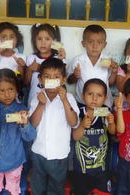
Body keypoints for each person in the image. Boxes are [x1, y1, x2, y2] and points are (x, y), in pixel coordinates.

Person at [0, 68, 36, 195]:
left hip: (14, 161)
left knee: (13, 191)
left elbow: (30, 137)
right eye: (1, 91)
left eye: (10, 89)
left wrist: (24, 124)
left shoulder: (22, 109)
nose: (7, 94)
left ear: (16, 89)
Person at [29, 58, 79, 195]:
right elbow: (32, 123)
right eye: (47, 77)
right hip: (39, 152)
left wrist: (64, 101)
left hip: (59, 154)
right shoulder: (37, 98)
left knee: (56, 187)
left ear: (63, 80)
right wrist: (41, 105)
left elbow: (74, 122)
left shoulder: (69, 98)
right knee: (37, 186)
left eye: (56, 77)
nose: (51, 81)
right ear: (40, 80)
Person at [72, 78, 116, 195]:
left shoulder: (105, 112)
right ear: (83, 95)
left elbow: (112, 132)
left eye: (99, 95)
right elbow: (75, 137)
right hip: (81, 170)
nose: (94, 99)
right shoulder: (78, 112)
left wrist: (111, 123)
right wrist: (82, 126)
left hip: (101, 170)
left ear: (105, 99)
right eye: (90, 94)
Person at [67, 24, 118, 107]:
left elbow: (111, 84)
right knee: (86, 119)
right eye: (90, 42)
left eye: (99, 42)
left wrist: (114, 72)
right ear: (83, 43)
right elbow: (69, 81)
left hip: (103, 104)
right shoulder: (78, 60)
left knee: (101, 119)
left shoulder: (108, 61)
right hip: (83, 103)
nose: (95, 46)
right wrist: (75, 76)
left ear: (104, 45)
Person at [25, 23, 66, 107]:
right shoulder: (31, 58)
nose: (43, 43)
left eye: (47, 39)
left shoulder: (58, 57)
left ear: (54, 41)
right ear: (34, 40)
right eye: (39, 39)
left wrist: (61, 60)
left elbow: (62, 80)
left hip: (54, 100)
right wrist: (30, 69)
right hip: (35, 99)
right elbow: (26, 83)